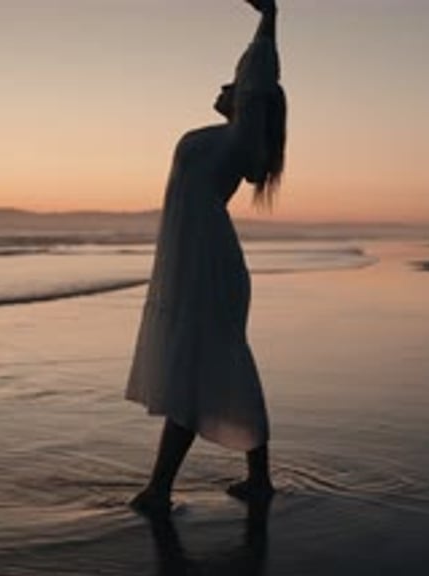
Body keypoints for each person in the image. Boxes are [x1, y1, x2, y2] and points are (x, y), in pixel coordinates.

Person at [125, 0, 287, 514]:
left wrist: (270, 15)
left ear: (248, 100)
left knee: (198, 365)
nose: (222, 85)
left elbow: (259, 73)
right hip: (193, 262)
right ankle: (252, 478)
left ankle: (160, 488)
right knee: (206, 363)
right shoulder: (227, 139)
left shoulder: (242, 140)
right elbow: (254, 85)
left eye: (232, 83)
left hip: (207, 266)